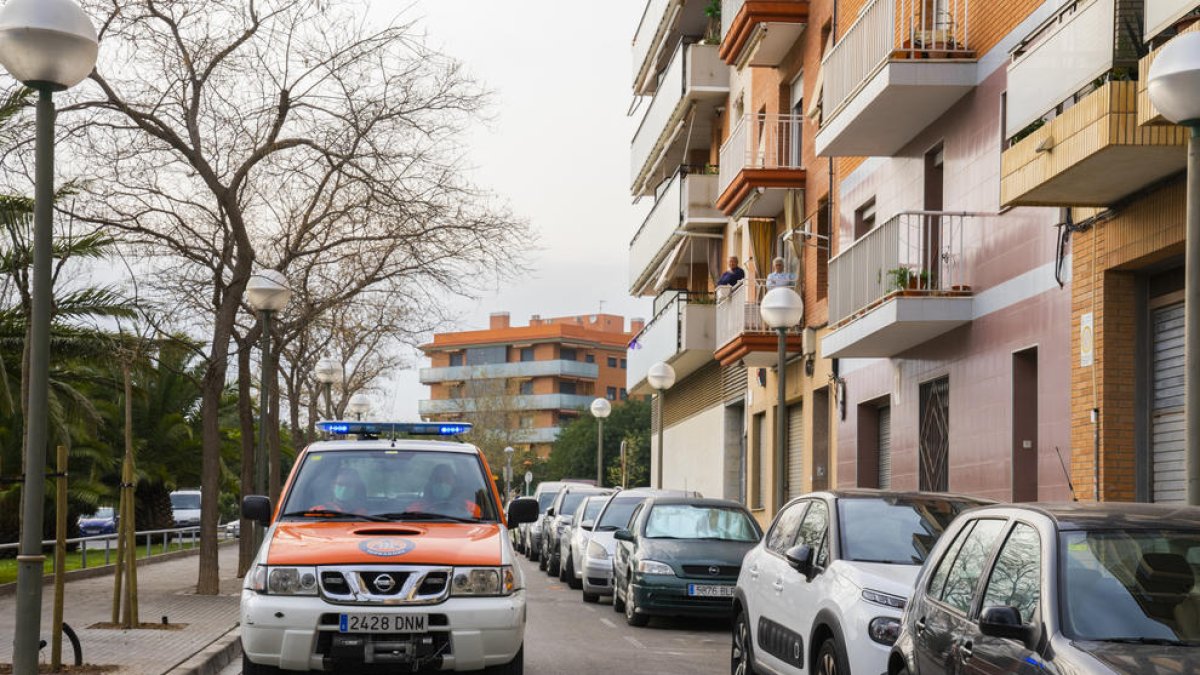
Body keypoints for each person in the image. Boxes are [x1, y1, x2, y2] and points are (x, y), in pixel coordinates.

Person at [406, 464, 482, 519]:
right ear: (431, 483)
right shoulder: (416, 508)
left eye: (447, 479)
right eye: (438, 479)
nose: (442, 483)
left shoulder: (471, 508)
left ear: (455, 482)